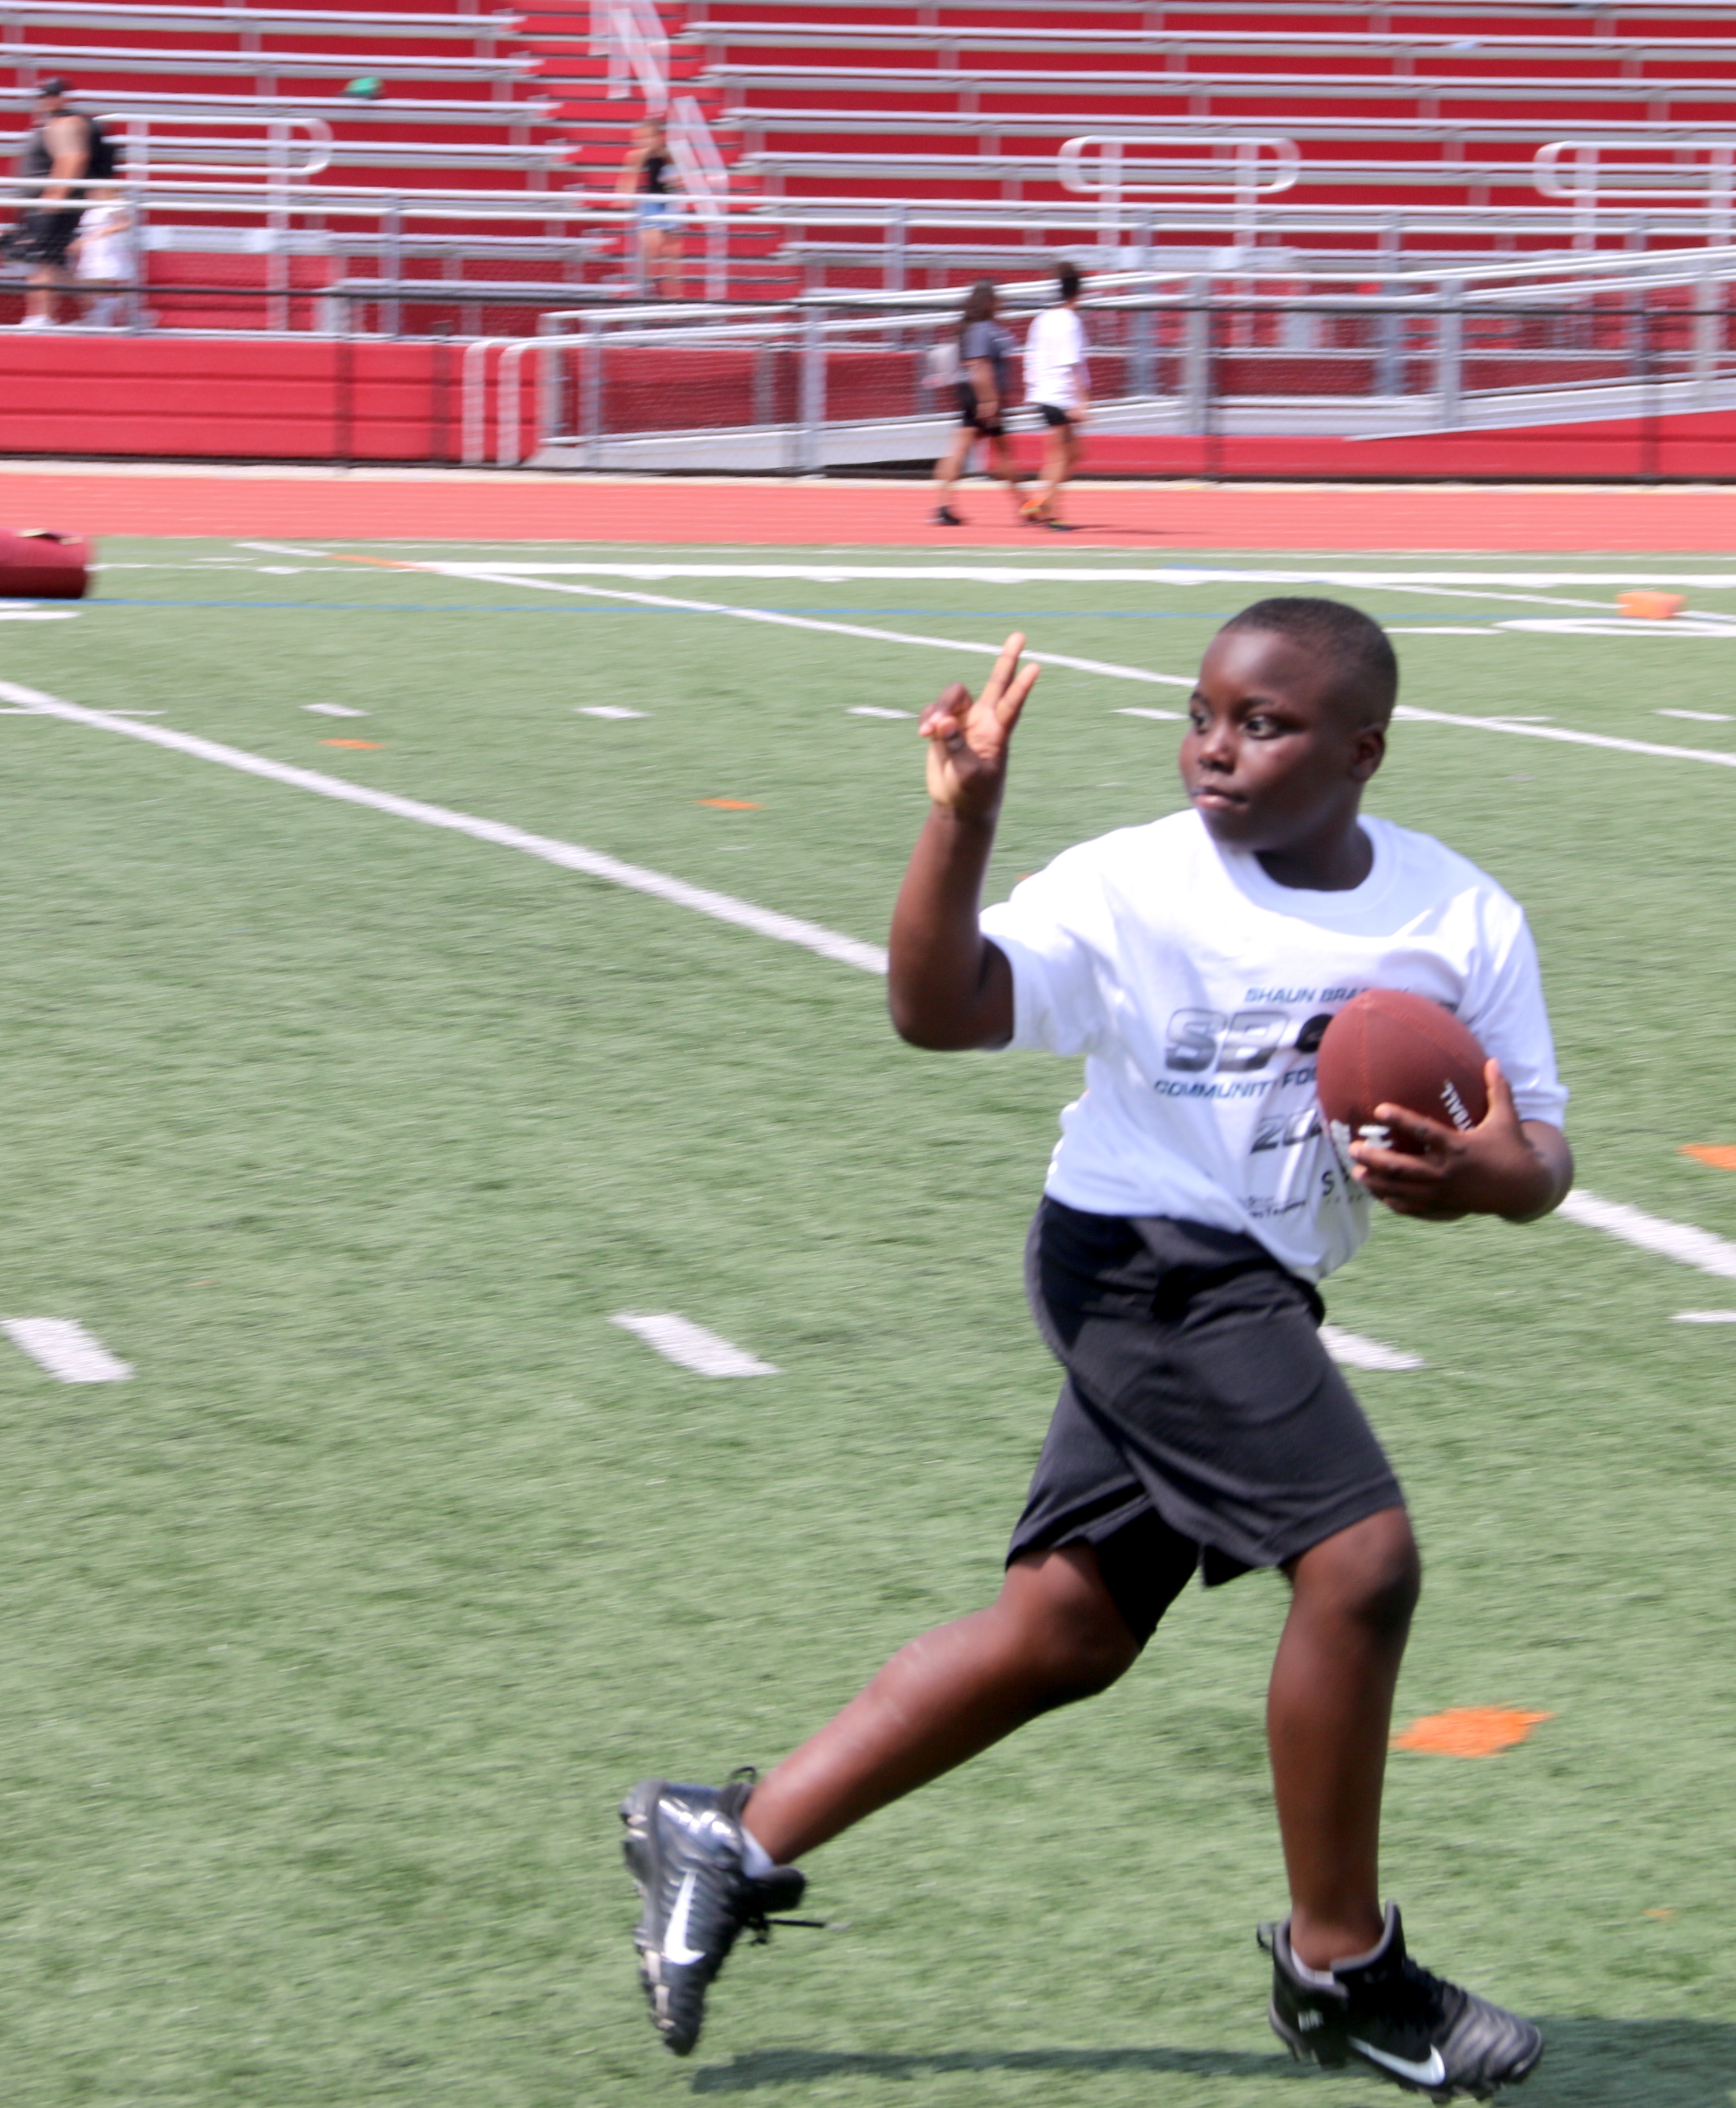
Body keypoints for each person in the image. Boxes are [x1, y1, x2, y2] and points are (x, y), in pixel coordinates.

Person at [619, 599, 1574, 2104]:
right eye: (1202, 715)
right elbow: (937, 1012)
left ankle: (729, 1838)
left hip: (1255, 1281)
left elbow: (1542, 1153)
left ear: (1364, 750)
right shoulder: (1135, 888)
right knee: (1362, 1564)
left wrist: (1495, 1179)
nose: (1217, 746)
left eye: (1262, 724)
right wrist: (964, 825)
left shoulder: (1461, 919)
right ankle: (1343, 1969)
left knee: (1067, 1630)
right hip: (1143, 1263)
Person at [0, 79, 114, 330]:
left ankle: (40, 317)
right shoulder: (53, 124)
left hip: (53, 205)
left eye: (52, 95)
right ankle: (97, 306)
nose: (46, 101)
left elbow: (73, 158)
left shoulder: (66, 124)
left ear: (65, 98)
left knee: (41, 261)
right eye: (44, 96)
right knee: (52, 262)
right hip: (47, 204)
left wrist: (55, 196)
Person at [931, 281, 1026, 528]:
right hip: (983, 394)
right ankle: (1025, 506)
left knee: (960, 450)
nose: (1001, 305)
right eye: (997, 300)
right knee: (1003, 452)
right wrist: (989, 400)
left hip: (972, 393)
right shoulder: (984, 329)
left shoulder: (974, 328)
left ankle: (942, 505)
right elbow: (979, 365)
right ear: (988, 303)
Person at [1021, 259, 1090, 530]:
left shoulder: (1043, 319)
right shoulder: (1070, 322)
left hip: (1045, 393)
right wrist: (1081, 401)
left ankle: (1040, 504)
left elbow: (1032, 357)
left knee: (1069, 454)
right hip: (1061, 395)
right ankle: (1049, 511)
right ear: (1078, 293)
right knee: (1063, 455)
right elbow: (1070, 364)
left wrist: (1033, 389)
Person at [619, 115, 682, 296]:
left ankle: (674, 297)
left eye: (647, 138)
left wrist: (675, 179)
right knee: (652, 247)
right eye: (641, 138)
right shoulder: (637, 155)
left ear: (659, 137)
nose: (643, 143)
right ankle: (651, 286)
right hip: (649, 203)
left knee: (673, 252)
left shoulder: (667, 153)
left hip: (668, 202)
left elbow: (679, 175)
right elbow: (628, 179)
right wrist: (626, 195)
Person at [71, 199, 144, 330]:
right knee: (87, 287)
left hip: (107, 250)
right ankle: (102, 319)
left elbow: (125, 223)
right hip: (91, 252)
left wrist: (100, 234)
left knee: (105, 286)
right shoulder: (91, 207)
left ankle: (110, 321)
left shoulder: (115, 205)